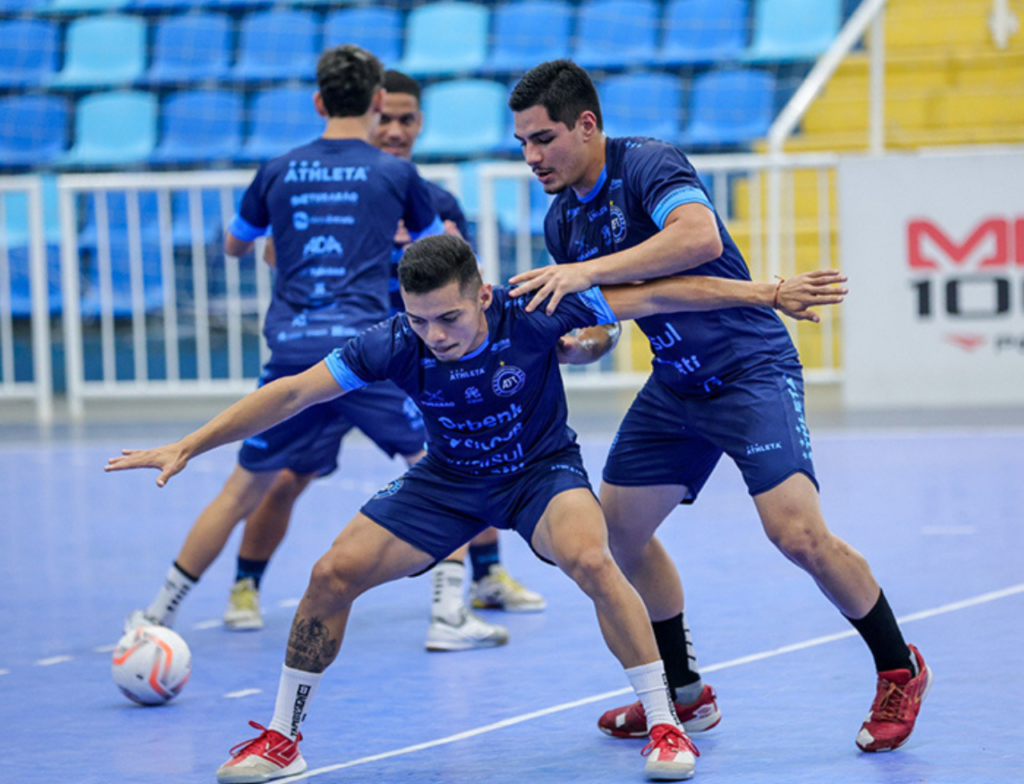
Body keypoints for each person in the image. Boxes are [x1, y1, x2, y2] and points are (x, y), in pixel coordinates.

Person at [105, 234, 846, 783]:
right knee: (331, 574)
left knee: (592, 557)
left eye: (450, 319)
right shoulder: (394, 342)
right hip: (448, 481)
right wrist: (191, 444)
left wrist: (768, 292)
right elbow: (295, 391)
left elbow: (659, 294)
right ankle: (281, 739)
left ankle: (664, 726)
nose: (436, 336)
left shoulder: (534, 310)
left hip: (540, 473)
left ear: (483, 297)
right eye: (421, 321)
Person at [505, 59, 931, 754]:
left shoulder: (647, 165)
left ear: (587, 126)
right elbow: (613, 319)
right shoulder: (563, 224)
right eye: (522, 143)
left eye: (543, 138)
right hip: (674, 386)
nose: (532, 157)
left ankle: (899, 667)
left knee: (796, 536)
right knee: (619, 533)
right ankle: (683, 694)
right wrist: (582, 344)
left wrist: (585, 273)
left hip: (750, 369)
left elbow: (698, 240)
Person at [122, 44, 508, 654]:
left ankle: (153, 614)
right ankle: (448, 615)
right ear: (378, 103)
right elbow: (443, 256)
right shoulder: (396, 175)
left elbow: (234, 246)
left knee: (242, 488)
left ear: (317, 101)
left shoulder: (277, 170)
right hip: (365, 352)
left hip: (293, 349)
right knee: (445, 469)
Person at [226, 70, 545, 647]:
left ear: (419, 123)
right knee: (289, 476)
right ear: (372, 113)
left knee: (455, 453)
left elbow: (464, 285)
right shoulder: (347, 190)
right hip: (357, 351)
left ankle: (484, 577)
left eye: (407, 119)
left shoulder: (426, 194)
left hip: (411, 362)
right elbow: (278, 252)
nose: (395, 129)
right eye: (388, 117)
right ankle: (245, 584)